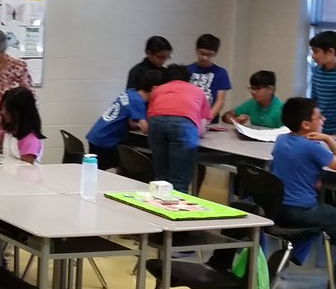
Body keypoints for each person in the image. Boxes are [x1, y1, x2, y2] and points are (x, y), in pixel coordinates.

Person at [270, 98, 336, 289]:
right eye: (319, 116)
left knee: (327, 217)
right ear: (306, 125)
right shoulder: (311, 147)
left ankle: (295, 252)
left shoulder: (281, 140)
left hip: (278, 208)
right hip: (301, 211)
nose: (323, 119)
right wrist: (329, 140)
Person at [146, 64, 209, 193]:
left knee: (160, 178)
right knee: (179, 181)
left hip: (156, 124)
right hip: (184, 125)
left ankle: (156, 210)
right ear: (188, 79)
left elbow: (149, 120)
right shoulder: (198, 91)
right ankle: (177, 211)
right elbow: (201, 130)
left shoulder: (159, 90)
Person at [87, 69, 161, 171]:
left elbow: (131, 122)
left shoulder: (130, 93)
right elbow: (145, 129)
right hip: (105, 141)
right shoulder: (138, 102)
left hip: (97, 135)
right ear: (154, 89)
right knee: (108, 173)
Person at [187, 33, 231, 122]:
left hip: (210, 120)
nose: (205, 58)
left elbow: (220, 101)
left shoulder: (221, 73)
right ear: (196, 51)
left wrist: (207, 119)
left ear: (215, 54)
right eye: (202, 53)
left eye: (209, 54)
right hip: (188, 117)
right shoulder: (186, 70)